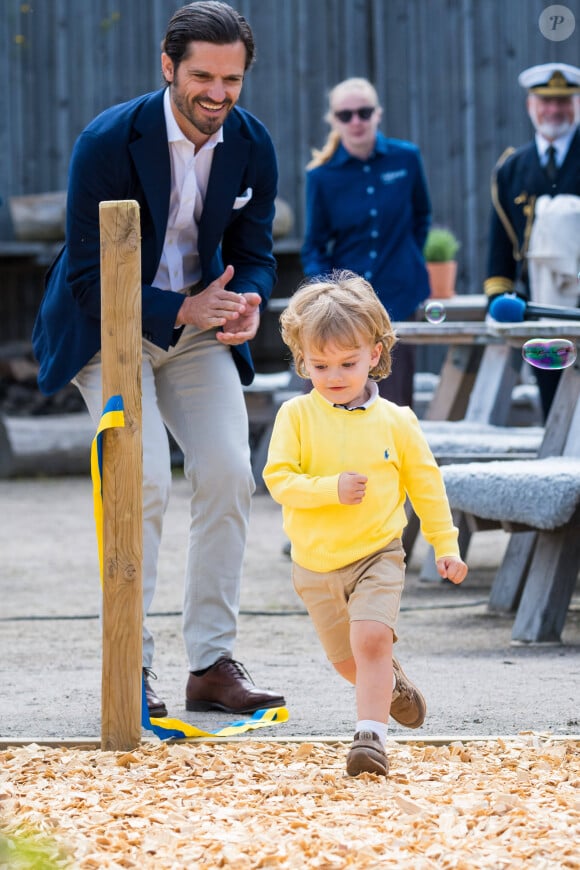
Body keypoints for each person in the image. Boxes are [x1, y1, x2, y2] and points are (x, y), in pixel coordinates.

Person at [32, 1, 285, 717]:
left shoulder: (253, 143)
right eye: (202, 75)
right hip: (108, 325)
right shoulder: (108, 141)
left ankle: (209, 665)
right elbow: (87, 275)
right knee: (141, 485)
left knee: (232, 473)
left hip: (199, 331)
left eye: (231, 78)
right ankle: (129, 668)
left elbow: (255, 253)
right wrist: (178, 308)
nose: (217, 93)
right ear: (169, 66)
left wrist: (251, 302)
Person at [263, 271, 468, 777]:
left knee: (372, 640)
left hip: (377, 554)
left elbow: (427, 487)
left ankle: (369, 740)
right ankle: (392, 687)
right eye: (320, 365)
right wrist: (328, 488)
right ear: (302, 360)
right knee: (347, 662)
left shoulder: (397, 421)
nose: (334, 375)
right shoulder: (295, 416)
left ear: (374, 354)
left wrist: (446, 544)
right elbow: (278, 481)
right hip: (314, 566)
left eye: (348, 363)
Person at [301, 78, 432, 408]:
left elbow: (421, 217)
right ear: (333, 121)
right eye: (345, 115)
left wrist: (406, 259)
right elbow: (314, 245)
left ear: (378, 114)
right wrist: (326, 295)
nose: (356, 121)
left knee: (395, 396)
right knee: (338, 389)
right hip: (346, 304)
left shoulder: (406, 158)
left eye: (364, 112)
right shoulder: (322, 176)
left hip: (400, 295)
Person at [484, 62, 580, 420]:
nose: (554, 110)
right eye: (545, 101)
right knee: (553, 406)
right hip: (541, 307)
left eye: (563, 101)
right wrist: (498, 294)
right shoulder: (512, 167)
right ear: (530, 106)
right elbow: (500, 243)